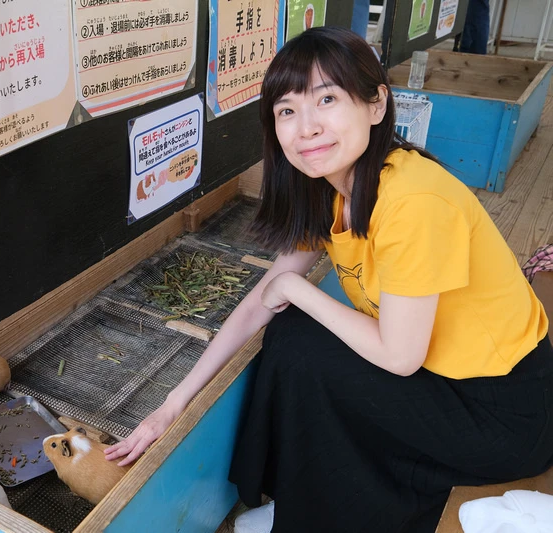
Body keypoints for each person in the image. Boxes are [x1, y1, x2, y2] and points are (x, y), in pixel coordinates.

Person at [106, 26, 553, 532]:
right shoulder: (330, 187)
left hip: (500, 412)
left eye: (327, 99)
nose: (307, 127)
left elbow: (398, 357)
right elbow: (262, 300)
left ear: (377, 104)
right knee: (293, 335)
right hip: (442, 378)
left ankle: (317, 511)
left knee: (303, 343)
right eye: (287, 110)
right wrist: (171, 406)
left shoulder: (413, 200)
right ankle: (300, 498)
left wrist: (295, 290)